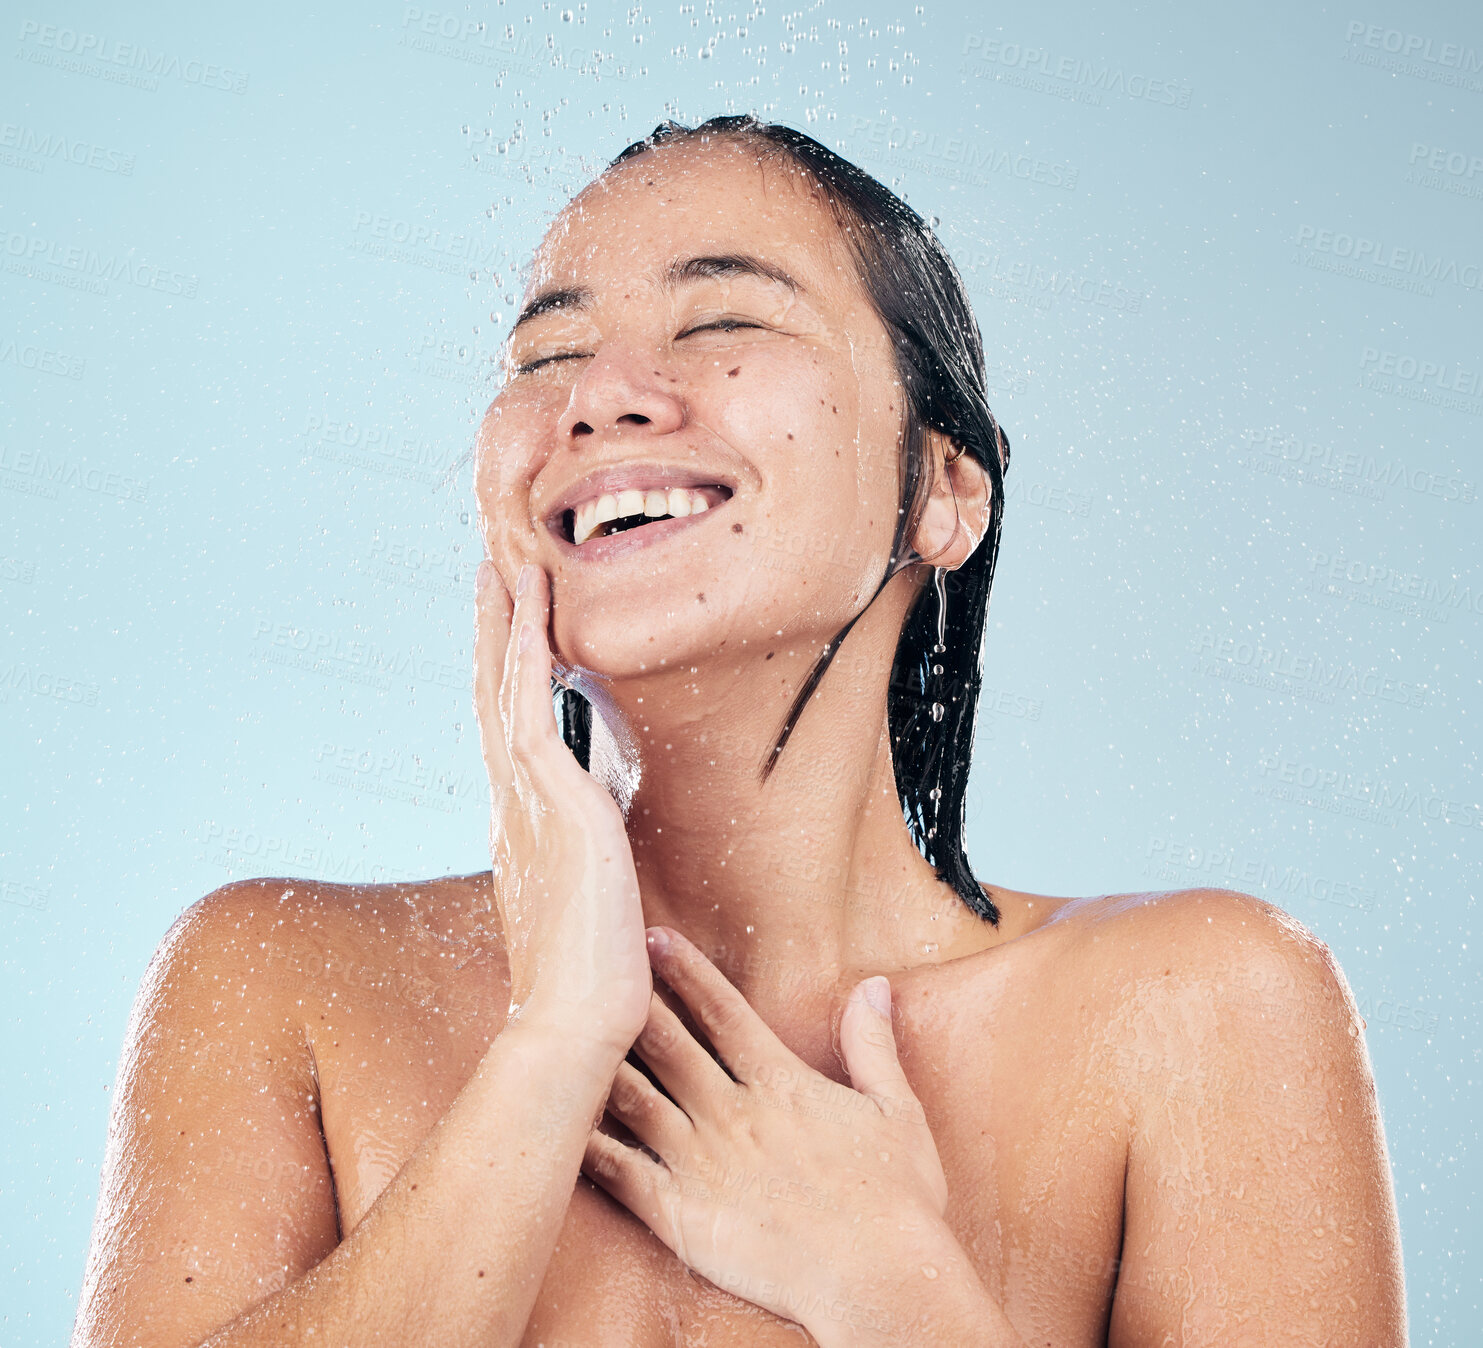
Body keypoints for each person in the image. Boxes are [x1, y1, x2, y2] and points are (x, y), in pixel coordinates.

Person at [72, 116, 1407, 1348]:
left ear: (946, 488)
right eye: (546, 355)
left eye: (724, 321)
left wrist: (890, 1284)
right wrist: (554, 1046)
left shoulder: (1195, 1015)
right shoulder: (277, 983)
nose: (603, 396)